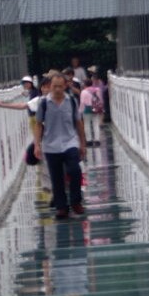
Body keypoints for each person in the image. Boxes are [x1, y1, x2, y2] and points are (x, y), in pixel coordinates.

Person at [35, 73, 86, 219]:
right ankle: (61, 207)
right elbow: (38, 124)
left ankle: (76, 201)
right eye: (54, 86)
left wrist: (83, 143)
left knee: (75, 171)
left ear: (65, 86)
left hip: (70, 142)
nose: (57, 89)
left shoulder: (71, 101)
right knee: (56, 177)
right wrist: (37, 145)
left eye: (60, 86)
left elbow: (78, 122)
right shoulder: (44, 103)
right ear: (49, 87)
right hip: (51, 145)